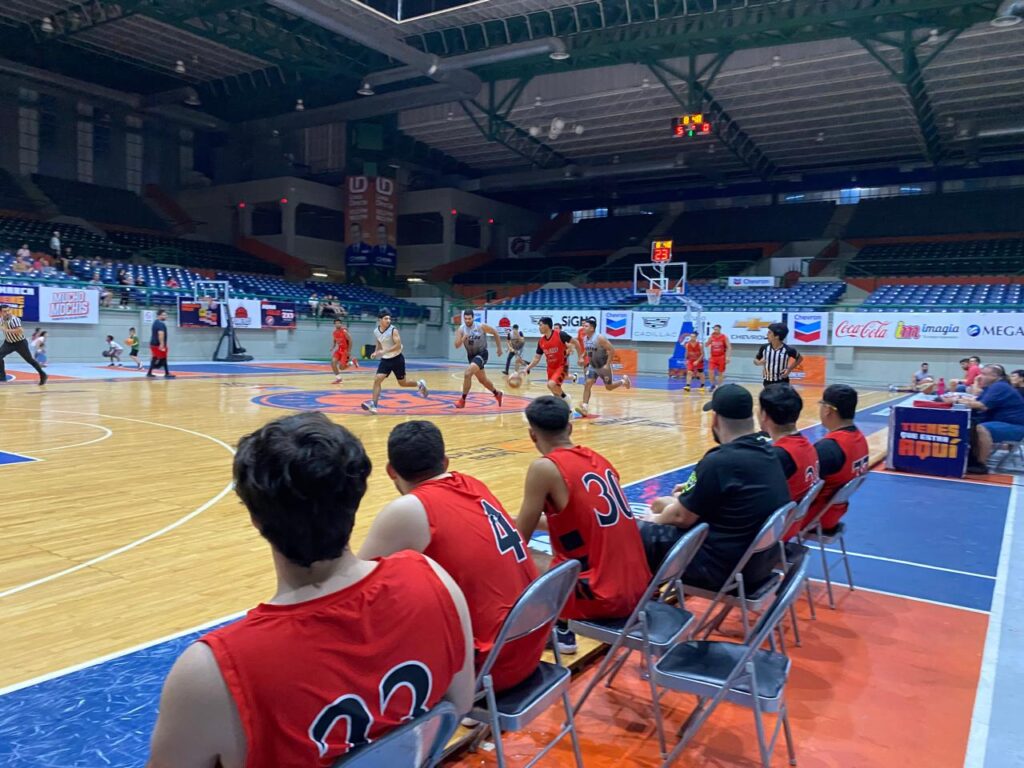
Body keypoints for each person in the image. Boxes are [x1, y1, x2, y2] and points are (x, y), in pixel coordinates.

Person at [147, 413, 474, 767]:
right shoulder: (435, 580)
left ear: (255, 517)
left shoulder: (210, 674)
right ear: (357, 495)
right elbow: (461, 704)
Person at [359, 421, 545, 693]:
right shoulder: (473, 483)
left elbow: (355, 593)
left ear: (390, 471)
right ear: (445, 462)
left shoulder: (409, 509)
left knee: (380, 618)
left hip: (490, 669)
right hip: (532, 644)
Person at [515, 396, 651, 653]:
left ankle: (558, 630)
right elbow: (579, 520)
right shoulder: (598, 459)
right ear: (570, 428)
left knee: (520, 556)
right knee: (565, 554)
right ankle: (562, 625)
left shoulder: (544, 468)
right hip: (639, 586)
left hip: (602, 597)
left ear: (533, 435)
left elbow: (519, 537)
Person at [639, 384, 790, 591]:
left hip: (720, 571)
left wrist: (651, 521)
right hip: (758, 565)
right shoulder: (769, 452)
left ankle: (623, 607)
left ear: (715, 419)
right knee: (663, 506)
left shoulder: (719, 461)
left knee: (633, 533)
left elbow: (680, 518)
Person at [801, 384, 870, 534]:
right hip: (834, 513)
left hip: (813, 517)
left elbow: (800, 487)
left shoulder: (828, 448)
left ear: (827, 410)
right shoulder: (861, 440)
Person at [758, 385, 819, 538]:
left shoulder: (778, 456)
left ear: (764, 415)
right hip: (792, 525)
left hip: (774, 534)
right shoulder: (808, 447)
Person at [945, 364, 1024, 471]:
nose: (980, 377)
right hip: (1001, 422)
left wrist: (956, 400)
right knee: (970, 424)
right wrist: (960, 399)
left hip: (1016, 427)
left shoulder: (1000, 386)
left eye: (984, 374)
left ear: (995, 376)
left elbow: (982, 406)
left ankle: (980, 464)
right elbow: (976, 401)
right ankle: (966, 459)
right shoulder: (991, 387)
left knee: (980, 428)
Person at [363, 310, 428, 414]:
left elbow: (397, 345)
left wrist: (384, 350)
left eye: (389, 318)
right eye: (386, 318)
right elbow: (379, 341)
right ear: (380, 320)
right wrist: (376, 352)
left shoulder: (393, 330)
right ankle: (374, 405)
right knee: (377, 379)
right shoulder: (376, 331)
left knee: (403, 383)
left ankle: (420, 384)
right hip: (385, 360)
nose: (388, 320)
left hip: (397, 359)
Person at [523, 317, 582, 410]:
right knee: (554, 392)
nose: (539, 327)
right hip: (550, 368)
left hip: (562, 365)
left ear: (547, 325)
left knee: (551, 385)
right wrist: (527, 368)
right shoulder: (541, 341)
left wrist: (580, 357)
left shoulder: (560, 334)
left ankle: (567, 400)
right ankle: (567, 411)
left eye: (540, 324)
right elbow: (536, 358)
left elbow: (576, 342)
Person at [575, 317, 631, 416]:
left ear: (592, 328)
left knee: (609, 387)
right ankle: (584, 407)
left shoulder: (600, 338)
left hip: (603, 366)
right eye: (583, 326)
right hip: (593, 366)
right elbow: (587, 350)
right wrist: (581, 357)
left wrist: (607, 364)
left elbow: (612, 350)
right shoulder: (585, 338)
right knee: (588, 383)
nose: (583, 327)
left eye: (586, 326)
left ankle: (623, 381)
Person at [454, 309, 504, 409]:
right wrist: (463, 338)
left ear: (473, 318)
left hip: (482, 354)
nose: (467, 321)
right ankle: (497, 393)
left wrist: (499, 348)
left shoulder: (480, 326)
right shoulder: (461, 329)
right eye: (465, 319)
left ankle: (462, 400)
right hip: (471, 356)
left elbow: (495, 332)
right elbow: (456, 345)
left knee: (468, 373)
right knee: (483, 380)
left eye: (469, 318)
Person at [0, 304, 47, 385]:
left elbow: (20, 331)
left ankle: (43, 375)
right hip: (8, 343)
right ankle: (2, 377)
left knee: (30, 360)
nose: (7, 313)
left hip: (20, 343)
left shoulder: (15, 319)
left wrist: (6, 330)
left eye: (8, 310)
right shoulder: (1, 320)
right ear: (1, 313)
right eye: (5, 311)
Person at [755, 322, 802, 388]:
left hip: (782, 382)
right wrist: (759, 362)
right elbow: (756, 360)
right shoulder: (764, 348)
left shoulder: (788, 349)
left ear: (777, 336)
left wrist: (789, 369)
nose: (767, 334)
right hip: (767, 382)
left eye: (769, 333)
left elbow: (800, 358)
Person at [147, 309, 175, 379]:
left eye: (166, 315)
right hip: (158, 345)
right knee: (163, 359)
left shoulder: (155, 322)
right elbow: (160, 334)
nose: (166, 316)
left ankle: (149, 372)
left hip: (153, 344)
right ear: (159, 316)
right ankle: (165, 372)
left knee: (155, 358)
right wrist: (162, 344)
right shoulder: (160, 324)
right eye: (164, 315)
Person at [704, 324, 731, 391]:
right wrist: (707, 341)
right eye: (714, 329)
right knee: (711, 371)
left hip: (721, 357)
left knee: (720, 373)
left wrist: (728, 357)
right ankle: (712, 384)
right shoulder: (712, 337)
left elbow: (729, 347)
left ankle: (719, 386)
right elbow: (706, 344)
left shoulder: (724, 337)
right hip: (713, 357)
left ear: (719, 329)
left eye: (716, 329)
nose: (715, 330)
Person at [330, 318, 354, 384]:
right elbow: (335, 340)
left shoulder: (344, 331)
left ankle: (351, 363)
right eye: (336, 323)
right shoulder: (334, 333)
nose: (338, 324)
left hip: (345, 351)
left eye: (339, 323)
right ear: (334, 324)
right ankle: (338, 378)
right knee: (333, 362)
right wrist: (333, 346)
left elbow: (350, 340)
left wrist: (349, 351)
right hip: (339, 350)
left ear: (341, 324)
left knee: (341, 368)